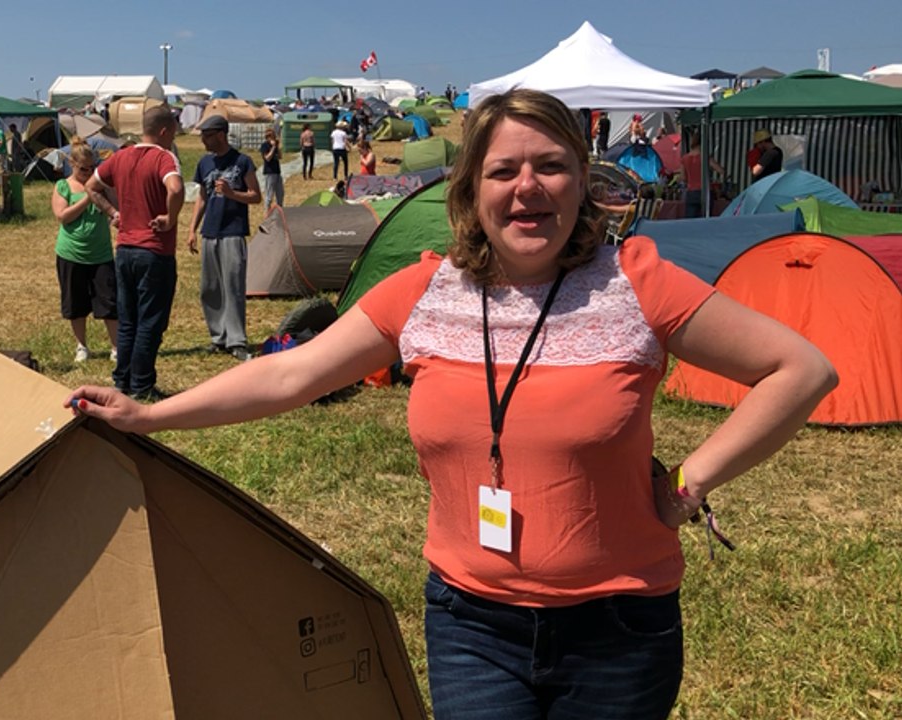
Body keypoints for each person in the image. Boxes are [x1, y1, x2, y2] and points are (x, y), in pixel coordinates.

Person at [65, 88, 837, 720]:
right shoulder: (426, 293)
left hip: (619, 627)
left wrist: (694, 478)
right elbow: (289, 376)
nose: (527, 187)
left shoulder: (635, 283)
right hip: (472, 623)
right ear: (471, 188)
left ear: (584, 183)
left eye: (551, 167)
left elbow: (798, 370)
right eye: (504, 170)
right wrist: (147, 414)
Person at [84, 106, 185, 401]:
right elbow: (176, 189)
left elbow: (92, 187)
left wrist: (113, 213)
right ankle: (141, 385)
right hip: (154, 251)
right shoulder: (163, 157)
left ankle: (122, 382)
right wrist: (170, 217)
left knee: (127, 320)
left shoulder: (121, 155)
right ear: (164, 131)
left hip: (125, 250)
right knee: (151, 321)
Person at [188, 115, 261, 361]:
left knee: (233, 286)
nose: (203, 141)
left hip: (233, 231)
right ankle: (217, 337)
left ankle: (237, 340)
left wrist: (232, 194)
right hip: (210, 231)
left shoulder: (242, 161)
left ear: (220, 134)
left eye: (206, 135)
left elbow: (255, 196)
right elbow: (201, 198)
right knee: (210, 288)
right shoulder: (204, 163)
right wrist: (192, 229)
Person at [53, 138, 119, 364]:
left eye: (92, 168)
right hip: (70, 253)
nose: (88, 172)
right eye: (83, 169)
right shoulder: (63, 186)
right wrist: (87, 198)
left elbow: (116, 209)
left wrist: (103, 191)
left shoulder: (100, 184)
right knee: (75, 304)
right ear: (72, 164)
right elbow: (62, 216)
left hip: (101, 254)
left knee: (110, 303)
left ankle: (116, 347)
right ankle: (81, 346)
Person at [682, 132, 725, 218]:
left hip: (691, 192)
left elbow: (684, 178)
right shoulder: (705, 157)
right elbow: (721, 171)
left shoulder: (684, 158)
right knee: (705, 220)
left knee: (690, 221)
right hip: (705, 191)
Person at [259, 127, 284, 208]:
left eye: (274, 136)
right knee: (269, 195)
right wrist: (273, 148)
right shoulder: (264, 146)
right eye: (271, 136)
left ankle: (279, 211)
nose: (273, 138)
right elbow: (267, 158)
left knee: (280, 194)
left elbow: (280, 156)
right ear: (268, 137)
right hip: (270, 172)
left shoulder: (275, 145)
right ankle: (267, 213)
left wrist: (277, 146)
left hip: (277, 171)